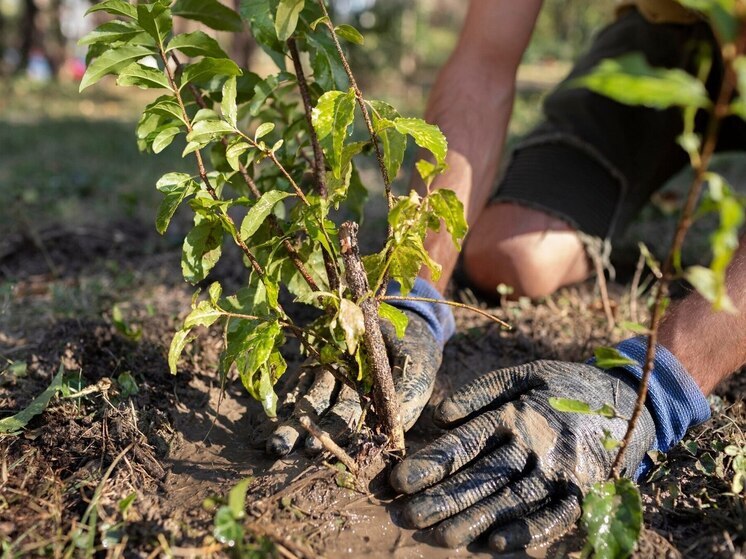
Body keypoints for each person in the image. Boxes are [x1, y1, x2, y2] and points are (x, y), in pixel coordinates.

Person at [267, 0, 746, 551]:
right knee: (512, 259)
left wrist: (658, 383)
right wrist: (416, 286)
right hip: (667, 43)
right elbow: (482, 62)